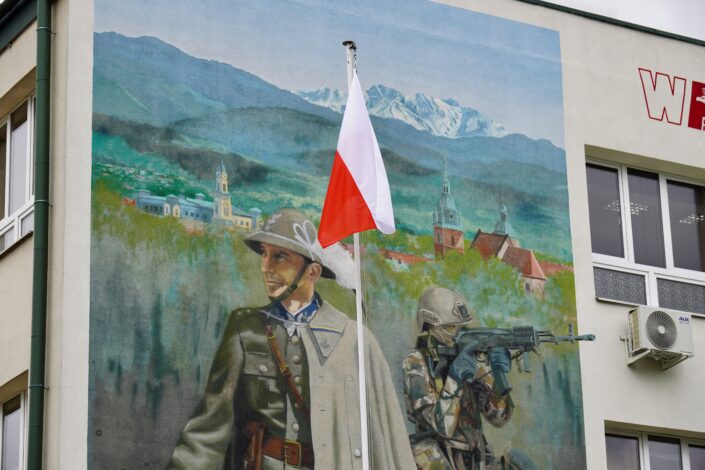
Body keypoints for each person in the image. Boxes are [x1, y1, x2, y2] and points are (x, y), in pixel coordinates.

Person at [169, 208, 415, 470]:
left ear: (313, 272)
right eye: (264, 254)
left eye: (280, 256)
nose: (265, 267)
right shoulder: (246, 330)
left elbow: (384, 437)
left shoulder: (353, 339)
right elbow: (208, 430)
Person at [403, 287, 521, 470]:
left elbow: (499, 418)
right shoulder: (416, 363)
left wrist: (495, 379)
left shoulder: (467, 358)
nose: (457, 334)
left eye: (461, 327)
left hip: (476, 457)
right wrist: (454, 378)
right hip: (437, 459)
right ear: (430, 325)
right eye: (451, 328)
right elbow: (443, 427)